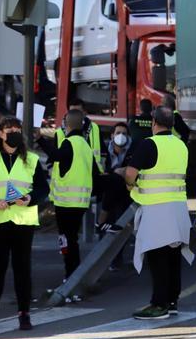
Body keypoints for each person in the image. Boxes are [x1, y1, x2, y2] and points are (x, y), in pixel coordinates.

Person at [0, 116, 49, 332]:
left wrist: (29, 199)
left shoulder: (31, 159)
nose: (13, 132)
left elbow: (43, 189)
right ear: (0, 134)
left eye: (16, 128)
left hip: (23, 220)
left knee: (22, 269)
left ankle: (24, 315)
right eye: (8, 129)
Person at [119, 106, 192, 320]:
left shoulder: (149, 144)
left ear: (154, 122)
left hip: (156, 209)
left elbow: (131, 174)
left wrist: (130, 185)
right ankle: (172, 302)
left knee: (157, 257)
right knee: (173, 257)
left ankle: (158, 304)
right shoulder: (181, 146)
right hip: (178, 208)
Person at [45, 109, 94, 287]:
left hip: (65, 202)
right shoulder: (85, 146)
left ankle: (70, 275)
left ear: (67, 124)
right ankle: (73, 274)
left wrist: (40, 139)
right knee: (72, 240)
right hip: (80, 202)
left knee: (66, 241)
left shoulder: (69, 143)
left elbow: (55, 156)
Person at [96, 122, 132, 248]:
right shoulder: (104, 150)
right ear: (112, 135)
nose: (121, 136)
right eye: (118, 133)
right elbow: (101, 171)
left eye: (124, 133)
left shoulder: (132, 151)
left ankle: (116, 258)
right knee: (114, 179)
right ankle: (101, 245)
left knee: (120, 225)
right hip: (107, 191)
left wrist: (124, 171)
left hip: (125, 193)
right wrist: (115, 172)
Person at [65, 98, 104, 173]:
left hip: (91, 175)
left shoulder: (94, 128)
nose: (75, 115)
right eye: (72, 112)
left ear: (85, 113)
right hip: (68, 177)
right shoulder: (60, 131)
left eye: (78, 112)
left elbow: (103, 153)